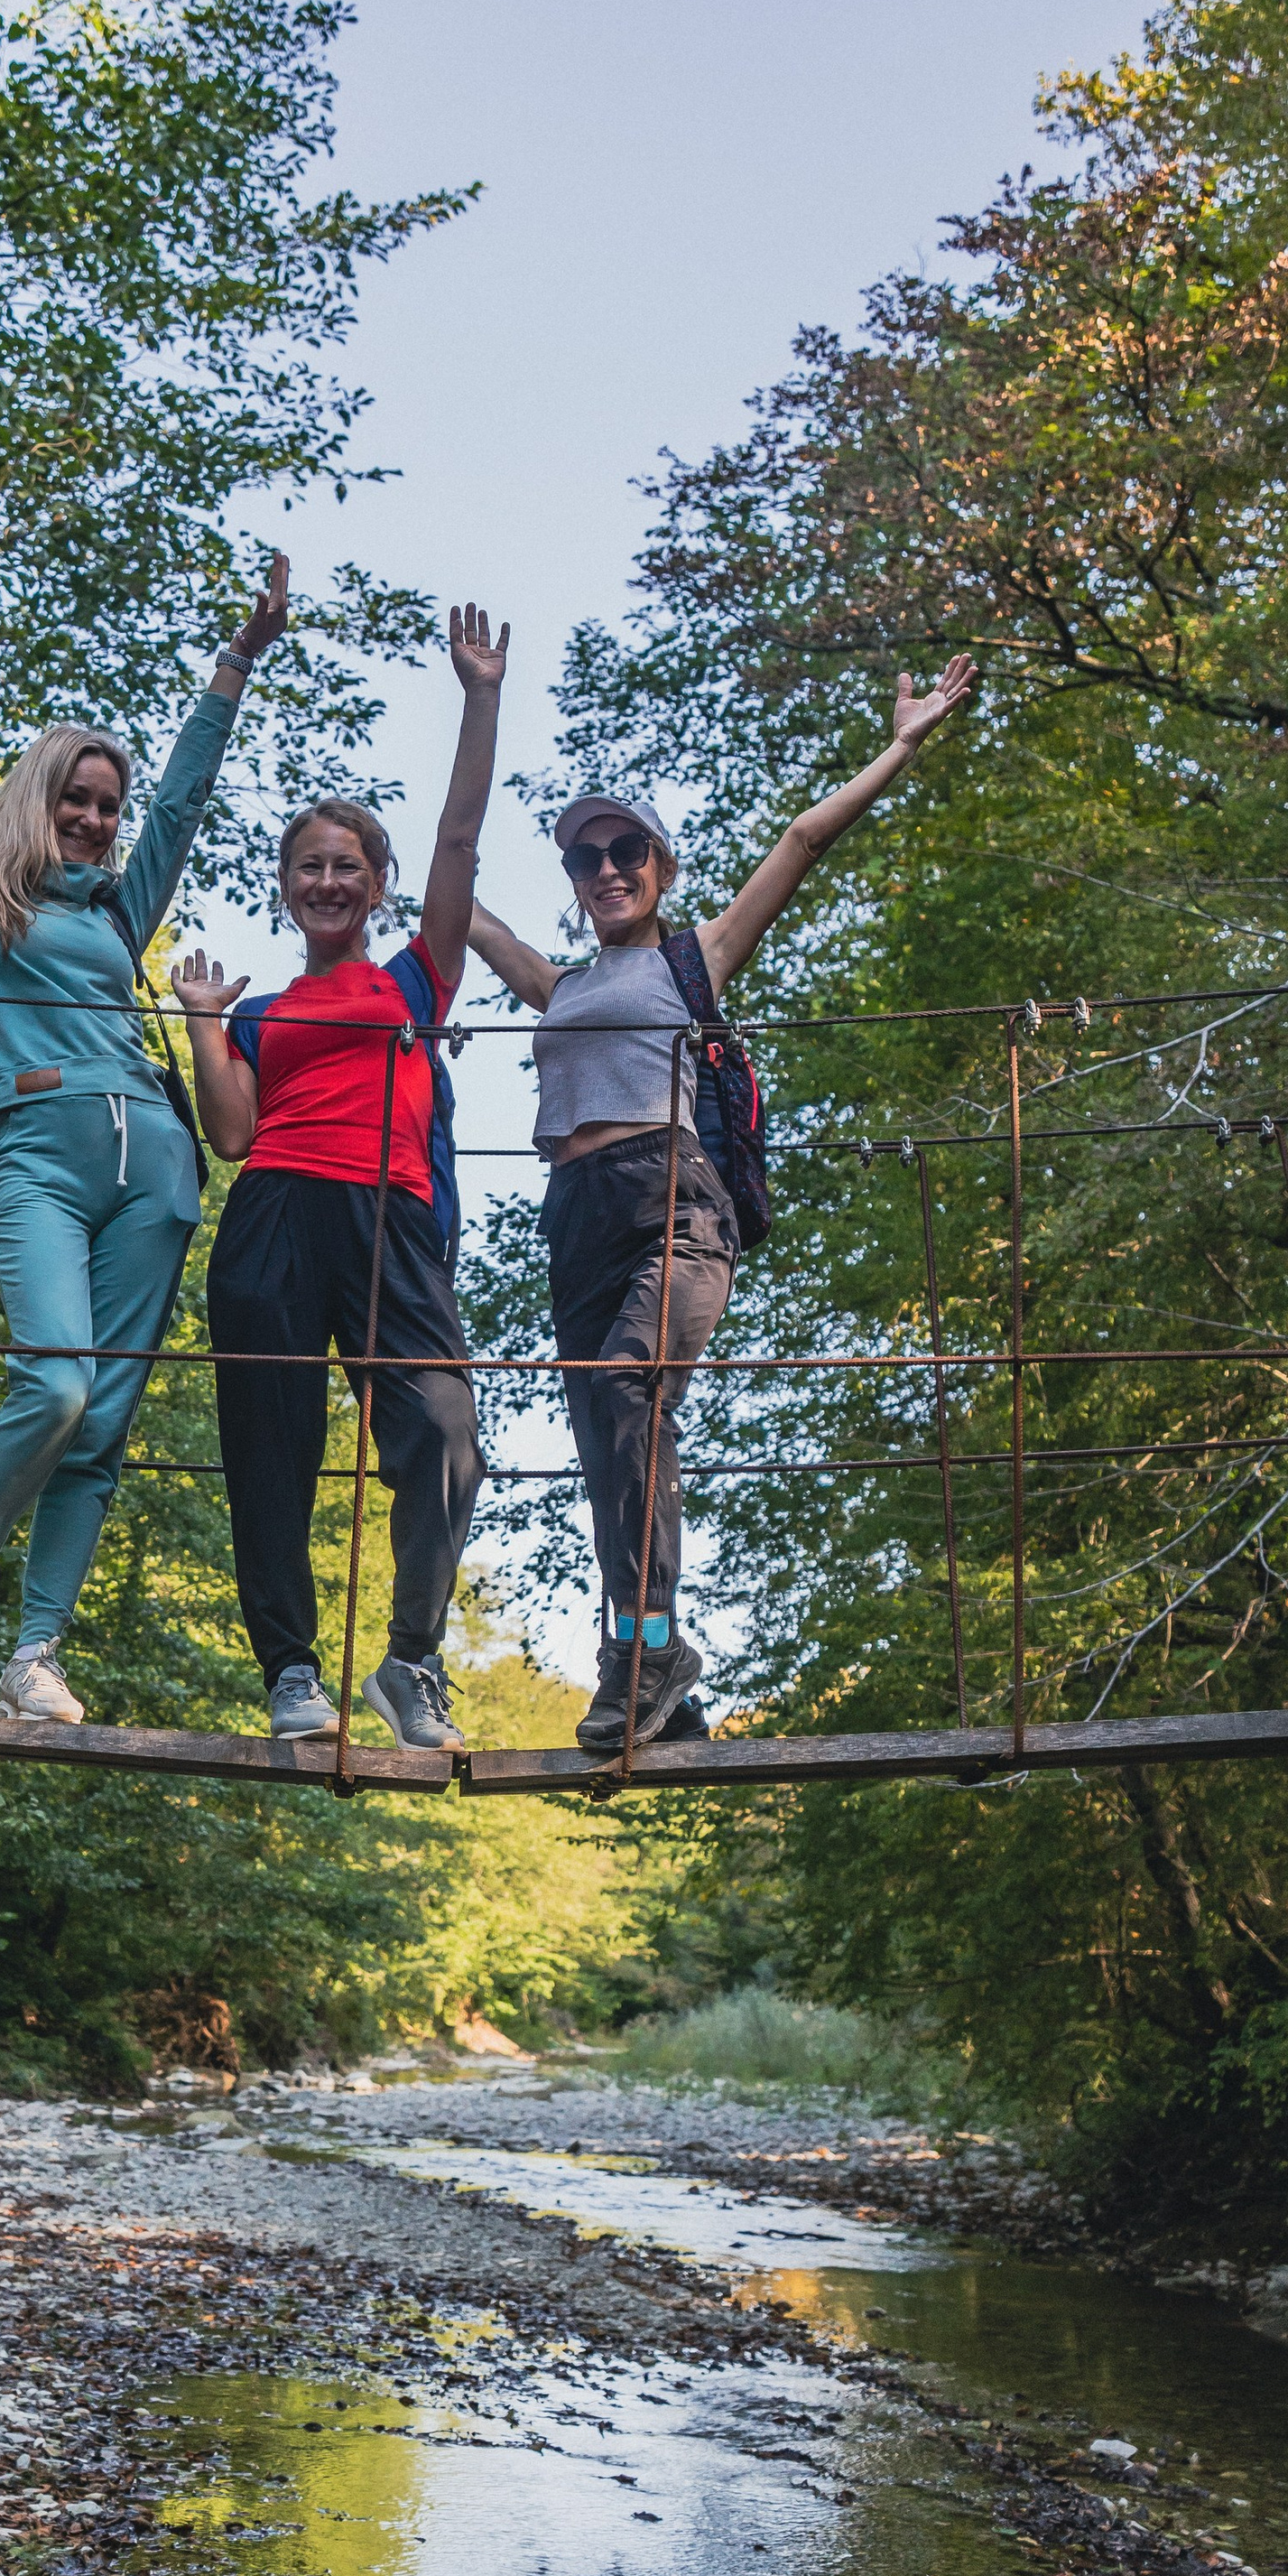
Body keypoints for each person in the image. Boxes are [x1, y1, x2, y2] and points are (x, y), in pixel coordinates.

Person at [467, 655, 976, 1753]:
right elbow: (450, 894)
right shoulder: (557, 987)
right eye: (584, 857)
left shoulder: (696, 959)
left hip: (673, 1204)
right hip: (575, 1216)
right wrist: (473, 716)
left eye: (624, 851)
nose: (604, 868)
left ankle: (642, 1657)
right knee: (612, 1442)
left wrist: (900, 743)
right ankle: (660, 1672)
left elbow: (800, 844)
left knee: (624, 1388)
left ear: (658, 865)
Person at [0, 454, 289, 1723]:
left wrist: (238, 662)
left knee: (99, 1419)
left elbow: (187, 801)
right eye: (79, 799)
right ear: (36, 801)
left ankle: (33, 1652)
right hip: (38, 1151)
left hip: (154, 1170)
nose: (100, 821)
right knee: (50, 1382)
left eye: (108, 805)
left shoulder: (121, 907)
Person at [174, 606, 509, 1751]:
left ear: (376, 888)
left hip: (391, 1222)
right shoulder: (260, 1009)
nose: (328, 882)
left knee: (447, 1434)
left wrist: (478, 697)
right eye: (310, 866)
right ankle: (291, 1674)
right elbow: (229, 1136)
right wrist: (202, 1028)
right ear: (287, 884)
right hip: (271, 1219)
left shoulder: (417, 980)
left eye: (348, 868)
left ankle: (409, 1662)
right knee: (270, 1451)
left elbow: (459, 844)